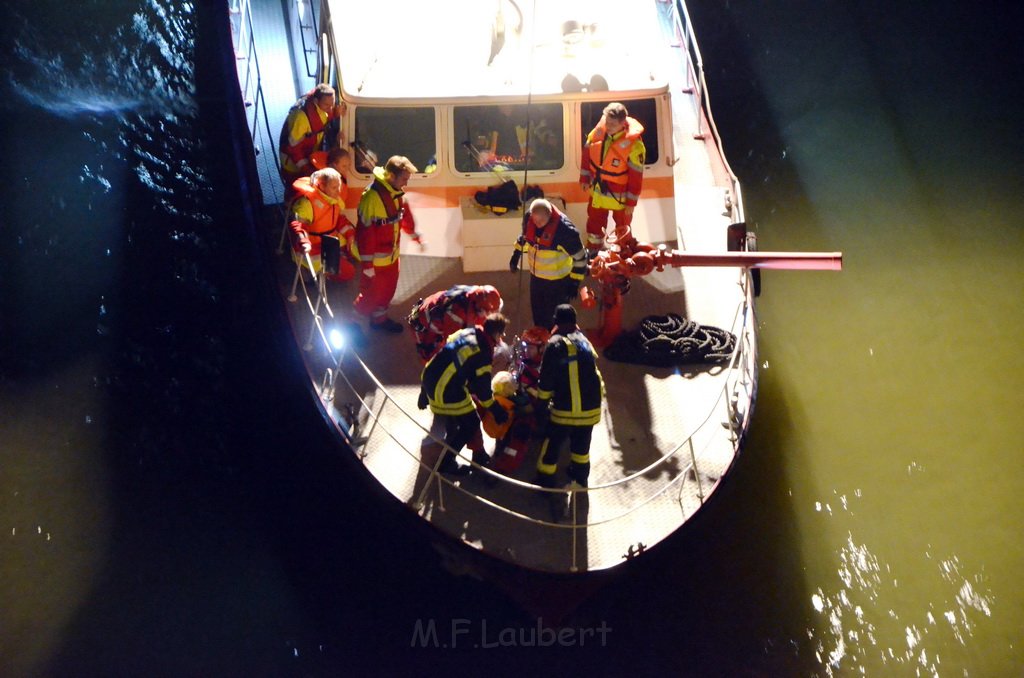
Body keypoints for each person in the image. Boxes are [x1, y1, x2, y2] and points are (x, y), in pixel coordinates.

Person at [418, 313, 510, 475]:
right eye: (501, 335)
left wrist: (424, 391)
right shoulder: (483, 352)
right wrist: (497, 411)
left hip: (429, 377)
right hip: (446, 391)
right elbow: (483, 392)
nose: (500, 339)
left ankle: (478, 453)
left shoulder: (468, 332)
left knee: (460, 420)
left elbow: (445, 354)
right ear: (496, 334)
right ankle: (446, 463)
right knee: (471, 422)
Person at [534, 305, 605, 488]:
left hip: (565, 411)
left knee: (552, 445)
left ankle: (545, 481)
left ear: (556, 322)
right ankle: (580, 478)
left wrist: (540, 407)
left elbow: (546, 381)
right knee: (581, 449)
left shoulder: (555, 344)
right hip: (591, 409)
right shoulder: (584, 341)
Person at [353, 155, 424, 333]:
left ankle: (379, 321)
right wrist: (368, 265)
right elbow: (365, 234)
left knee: (387, 293)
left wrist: (414, 235)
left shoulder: (396, 193)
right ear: (391, 176)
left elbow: (404, 216)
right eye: (404, 179)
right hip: (375, 262)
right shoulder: (372, 198)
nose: (406, 184)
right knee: (370, 296)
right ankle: (354, 327)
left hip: (391, 258)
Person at [509, 198, 587, 328]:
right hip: (536, 278)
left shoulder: (565, 232)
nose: (537, 224)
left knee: (557, 318)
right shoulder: (530, 219)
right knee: (538, 314)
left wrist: (574, 282)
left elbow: (580, 258)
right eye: (535, 220)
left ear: (550, 216)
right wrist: (516, 255)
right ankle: (540, 339)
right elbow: (525, 239)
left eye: (541, 221)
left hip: (558, 282)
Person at [579, 102, 646, 254]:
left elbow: (636, 177)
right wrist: (584, 178)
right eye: (607, 122)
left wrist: (631, 202)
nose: (607, 127)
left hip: (620, 197)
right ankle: (593, 251)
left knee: (622, 228)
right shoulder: (598, 132)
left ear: (623, 123)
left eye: (612, 124)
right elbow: (586, 155)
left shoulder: (634, 146)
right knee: (594, 222)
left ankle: (622, 253)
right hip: (597, 190)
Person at [288, 167, 358, 281]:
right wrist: (304, 242)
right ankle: (313, 273)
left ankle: (330, 270)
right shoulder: (306, 204)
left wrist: (350, 234)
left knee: (350, 267)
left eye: (339, 186)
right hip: (312, 248)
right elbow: (298, 225)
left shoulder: (334, 201)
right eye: (334, 187)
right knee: (311, 281)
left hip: (330, 244)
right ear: (322, 186)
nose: (338, 190)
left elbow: (340, 220)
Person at [278, 84, 345, 199]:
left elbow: (321, 119)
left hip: (308, 155)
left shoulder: (320, 107)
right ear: (315, 100)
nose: (330, 108)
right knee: (295, 192)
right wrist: (306, 168)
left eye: (332, 104)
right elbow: (293, 148)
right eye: (327, 105)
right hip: (292, 165)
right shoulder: (301, 118)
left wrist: (335, 113)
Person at [407, 284, 503, 361]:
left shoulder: (476, 294)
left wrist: (497, 341)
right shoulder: (456, 316)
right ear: (481, 310)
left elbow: (482, 324)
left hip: (438, 310)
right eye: (489, 313)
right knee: (434, 359)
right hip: (423, 326)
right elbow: (452, 344)